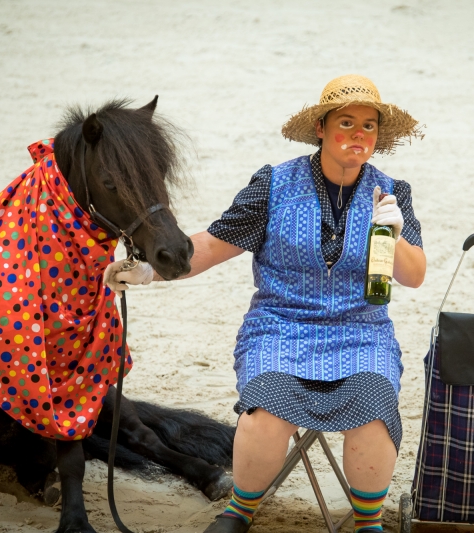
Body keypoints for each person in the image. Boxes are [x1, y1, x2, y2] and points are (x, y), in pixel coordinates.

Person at [105, 74, 426, 533]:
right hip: (280, 327)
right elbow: (215, 245)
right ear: (321, 127)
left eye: (369, 126)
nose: (359, 135)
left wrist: (394, 235)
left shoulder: (391, 193)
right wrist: (151, 270)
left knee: (374, 409)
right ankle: (240, 510)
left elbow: (414, 276)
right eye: (347, 122)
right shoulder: (274, 185)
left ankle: (368, 521)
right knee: (266, 410)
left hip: (361, 332)